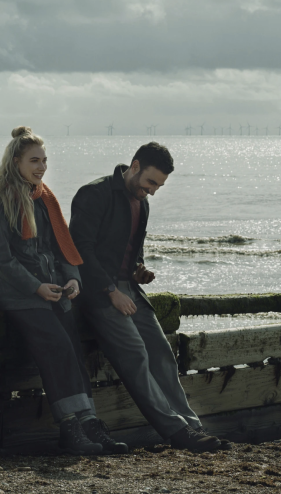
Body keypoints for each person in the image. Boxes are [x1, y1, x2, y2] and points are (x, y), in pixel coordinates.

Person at [69, 142, 230, 452]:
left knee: (161, 354)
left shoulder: (142, 203)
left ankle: (193, 426)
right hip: (100, 293)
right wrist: (111, 291)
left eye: (159, 185)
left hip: (130, 290)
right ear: (135, 166)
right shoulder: (94, 193)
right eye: (151, 182)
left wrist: (137, 271)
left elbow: (129, 249)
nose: (153, 191)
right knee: (135, 355)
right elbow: (81, 250)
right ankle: (177, 433)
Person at [0, 126, 127, 455]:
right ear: (15, 161)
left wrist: (73, 277)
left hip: (53, 288)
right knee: (58, 347)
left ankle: (89, 423)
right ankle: (70, 426)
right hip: (17, 293)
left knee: (73, 350)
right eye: (34, 160)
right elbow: (2, 261)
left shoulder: (44, 201)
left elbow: (62, 248)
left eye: (44, 160)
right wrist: (35, 287)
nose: (41, 167)